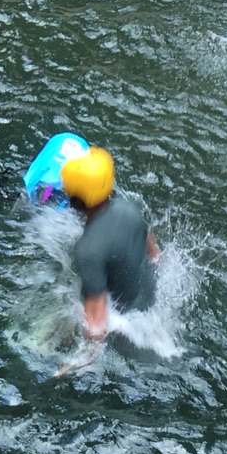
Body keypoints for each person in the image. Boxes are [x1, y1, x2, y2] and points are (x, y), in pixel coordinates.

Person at [60, 146, 159, 341]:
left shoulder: (88, 249)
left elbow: (96, 327)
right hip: (152, 302)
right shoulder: (129, 207)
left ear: (75, 200)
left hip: (127, 328)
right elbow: (155, 256)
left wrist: (73, 363)